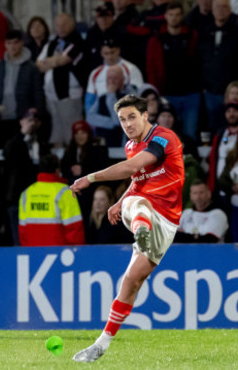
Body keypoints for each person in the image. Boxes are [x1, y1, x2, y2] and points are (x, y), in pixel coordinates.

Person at [70, 95, 184, 363]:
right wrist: (119, 203)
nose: (127, 124)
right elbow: (137, 179)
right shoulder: (131, 146)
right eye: (122, 119)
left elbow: (132, 168)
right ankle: (100, 345)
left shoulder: (163, 137)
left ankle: (141, 228)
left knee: (132, 278)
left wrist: (89, 178)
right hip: (142, 211)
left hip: (165, 219)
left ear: (146, 116)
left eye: (132, 117)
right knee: (131, 279)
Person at [146, 3, 200, 142]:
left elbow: (199, 60)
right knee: (166, 134)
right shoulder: (157, 38)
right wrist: (156, 91)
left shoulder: (191, 35)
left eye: (177, 15)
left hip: (191, 94)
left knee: (189, 133)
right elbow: (151, 67)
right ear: (166, 16)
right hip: (167, 94)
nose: (174, 18)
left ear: (182, 16)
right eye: (171, 15)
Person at [199, 0, 238, 131]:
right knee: (212, 127)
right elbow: (199, 59)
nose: (220, 10)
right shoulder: (204, 31)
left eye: (224, 7)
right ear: (212, 9)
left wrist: (237, 86)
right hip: (210, 91)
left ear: (230, 10)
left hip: (232, 92)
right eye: (217, 7)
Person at [37, 13, 87, 146]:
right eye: (58, 25)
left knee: (71, 132)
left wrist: (52, 62)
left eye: (64, 24)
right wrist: (53, 61)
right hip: (51, 97)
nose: (61, 28)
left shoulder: (77, 41)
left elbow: (63, 60)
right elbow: (39, 65)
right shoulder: (51, 43)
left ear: (72, 24)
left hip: (69, 96)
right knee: (56, 132)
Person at [0, 29, 44, 142]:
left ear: (22, 43)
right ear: (5, 44)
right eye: (9, 43)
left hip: (22, 118)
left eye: (15, 42)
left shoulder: (31, 68)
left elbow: (38, 93)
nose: (12, 46)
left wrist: (38, 114)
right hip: (0, 118)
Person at [18, 154, 85, 246]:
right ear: (57, 170)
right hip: (59, 254)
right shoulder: (65, 192)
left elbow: (22, 231)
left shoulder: (26, 193)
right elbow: (74, 228)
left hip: (32, 252)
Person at [60, 120, 110, 219]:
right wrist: (71, 170)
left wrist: (83, 170)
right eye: (77, 133)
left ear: (88, 134)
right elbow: (63, 168)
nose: (80, 136)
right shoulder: (70, 150)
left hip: (91, 193)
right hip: (74, 194)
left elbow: (103, 169)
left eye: (83, 133)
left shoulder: (98, 149)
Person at [85, 37, 144, 113]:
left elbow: (139, 95)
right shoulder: (95, 73)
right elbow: (90, 100)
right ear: (101, 53)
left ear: (118, 50)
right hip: (102, 117)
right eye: (106, 53)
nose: (110, 57)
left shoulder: (131, 69)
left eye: (112, 52)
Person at [87, 66, 136, 146]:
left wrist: (111, 96)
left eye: (115, 78)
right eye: (109, 78)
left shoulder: (129, 98)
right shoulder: (102, 97)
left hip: (122, 143)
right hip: (103, 141)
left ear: (122, 80)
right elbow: (90, 117)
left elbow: (118, 120)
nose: (112, 81)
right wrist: (110, 123)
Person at [206, 102, 238, 193]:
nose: (231, 114)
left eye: (235, 111)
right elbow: (213, 158)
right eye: (228, 111)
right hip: (220, 183)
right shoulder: (222, 133)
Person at [85, 3, 117, 71]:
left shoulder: (120, 34)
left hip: (114, 73)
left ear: (112, 17)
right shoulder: (91, 34)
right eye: (100, 17)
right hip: (95, 74)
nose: (103, 20)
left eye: (107, 16)